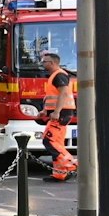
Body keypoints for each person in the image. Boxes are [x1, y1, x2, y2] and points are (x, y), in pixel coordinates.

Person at [37, 50, 77, 182]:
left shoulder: (59, 75)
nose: (42, 64)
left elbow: (63, 94)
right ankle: (60, 174)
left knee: (49, 141)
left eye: (44, 62)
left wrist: (56, 112)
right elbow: (52, 96)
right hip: (61, 113)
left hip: (61, 114)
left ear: (52, 63)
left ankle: (71, 164)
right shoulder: (55, 75)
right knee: (57, 143)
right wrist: (45, 111)